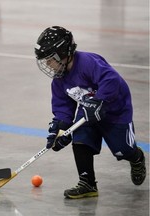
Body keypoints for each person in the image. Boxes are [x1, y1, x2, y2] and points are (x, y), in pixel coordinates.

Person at [34, 26, 146, 199]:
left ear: (64, 52)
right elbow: (63, 106)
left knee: (123, 150)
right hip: (87, 111)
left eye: (50, 59)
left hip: (115, 110)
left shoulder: (88, 62)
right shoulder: (59, 79)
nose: (48, 64)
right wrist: (61, 128)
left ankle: (136, 157)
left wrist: (100, 101)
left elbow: (111, 79)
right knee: (80, 139)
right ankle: (87, 183)